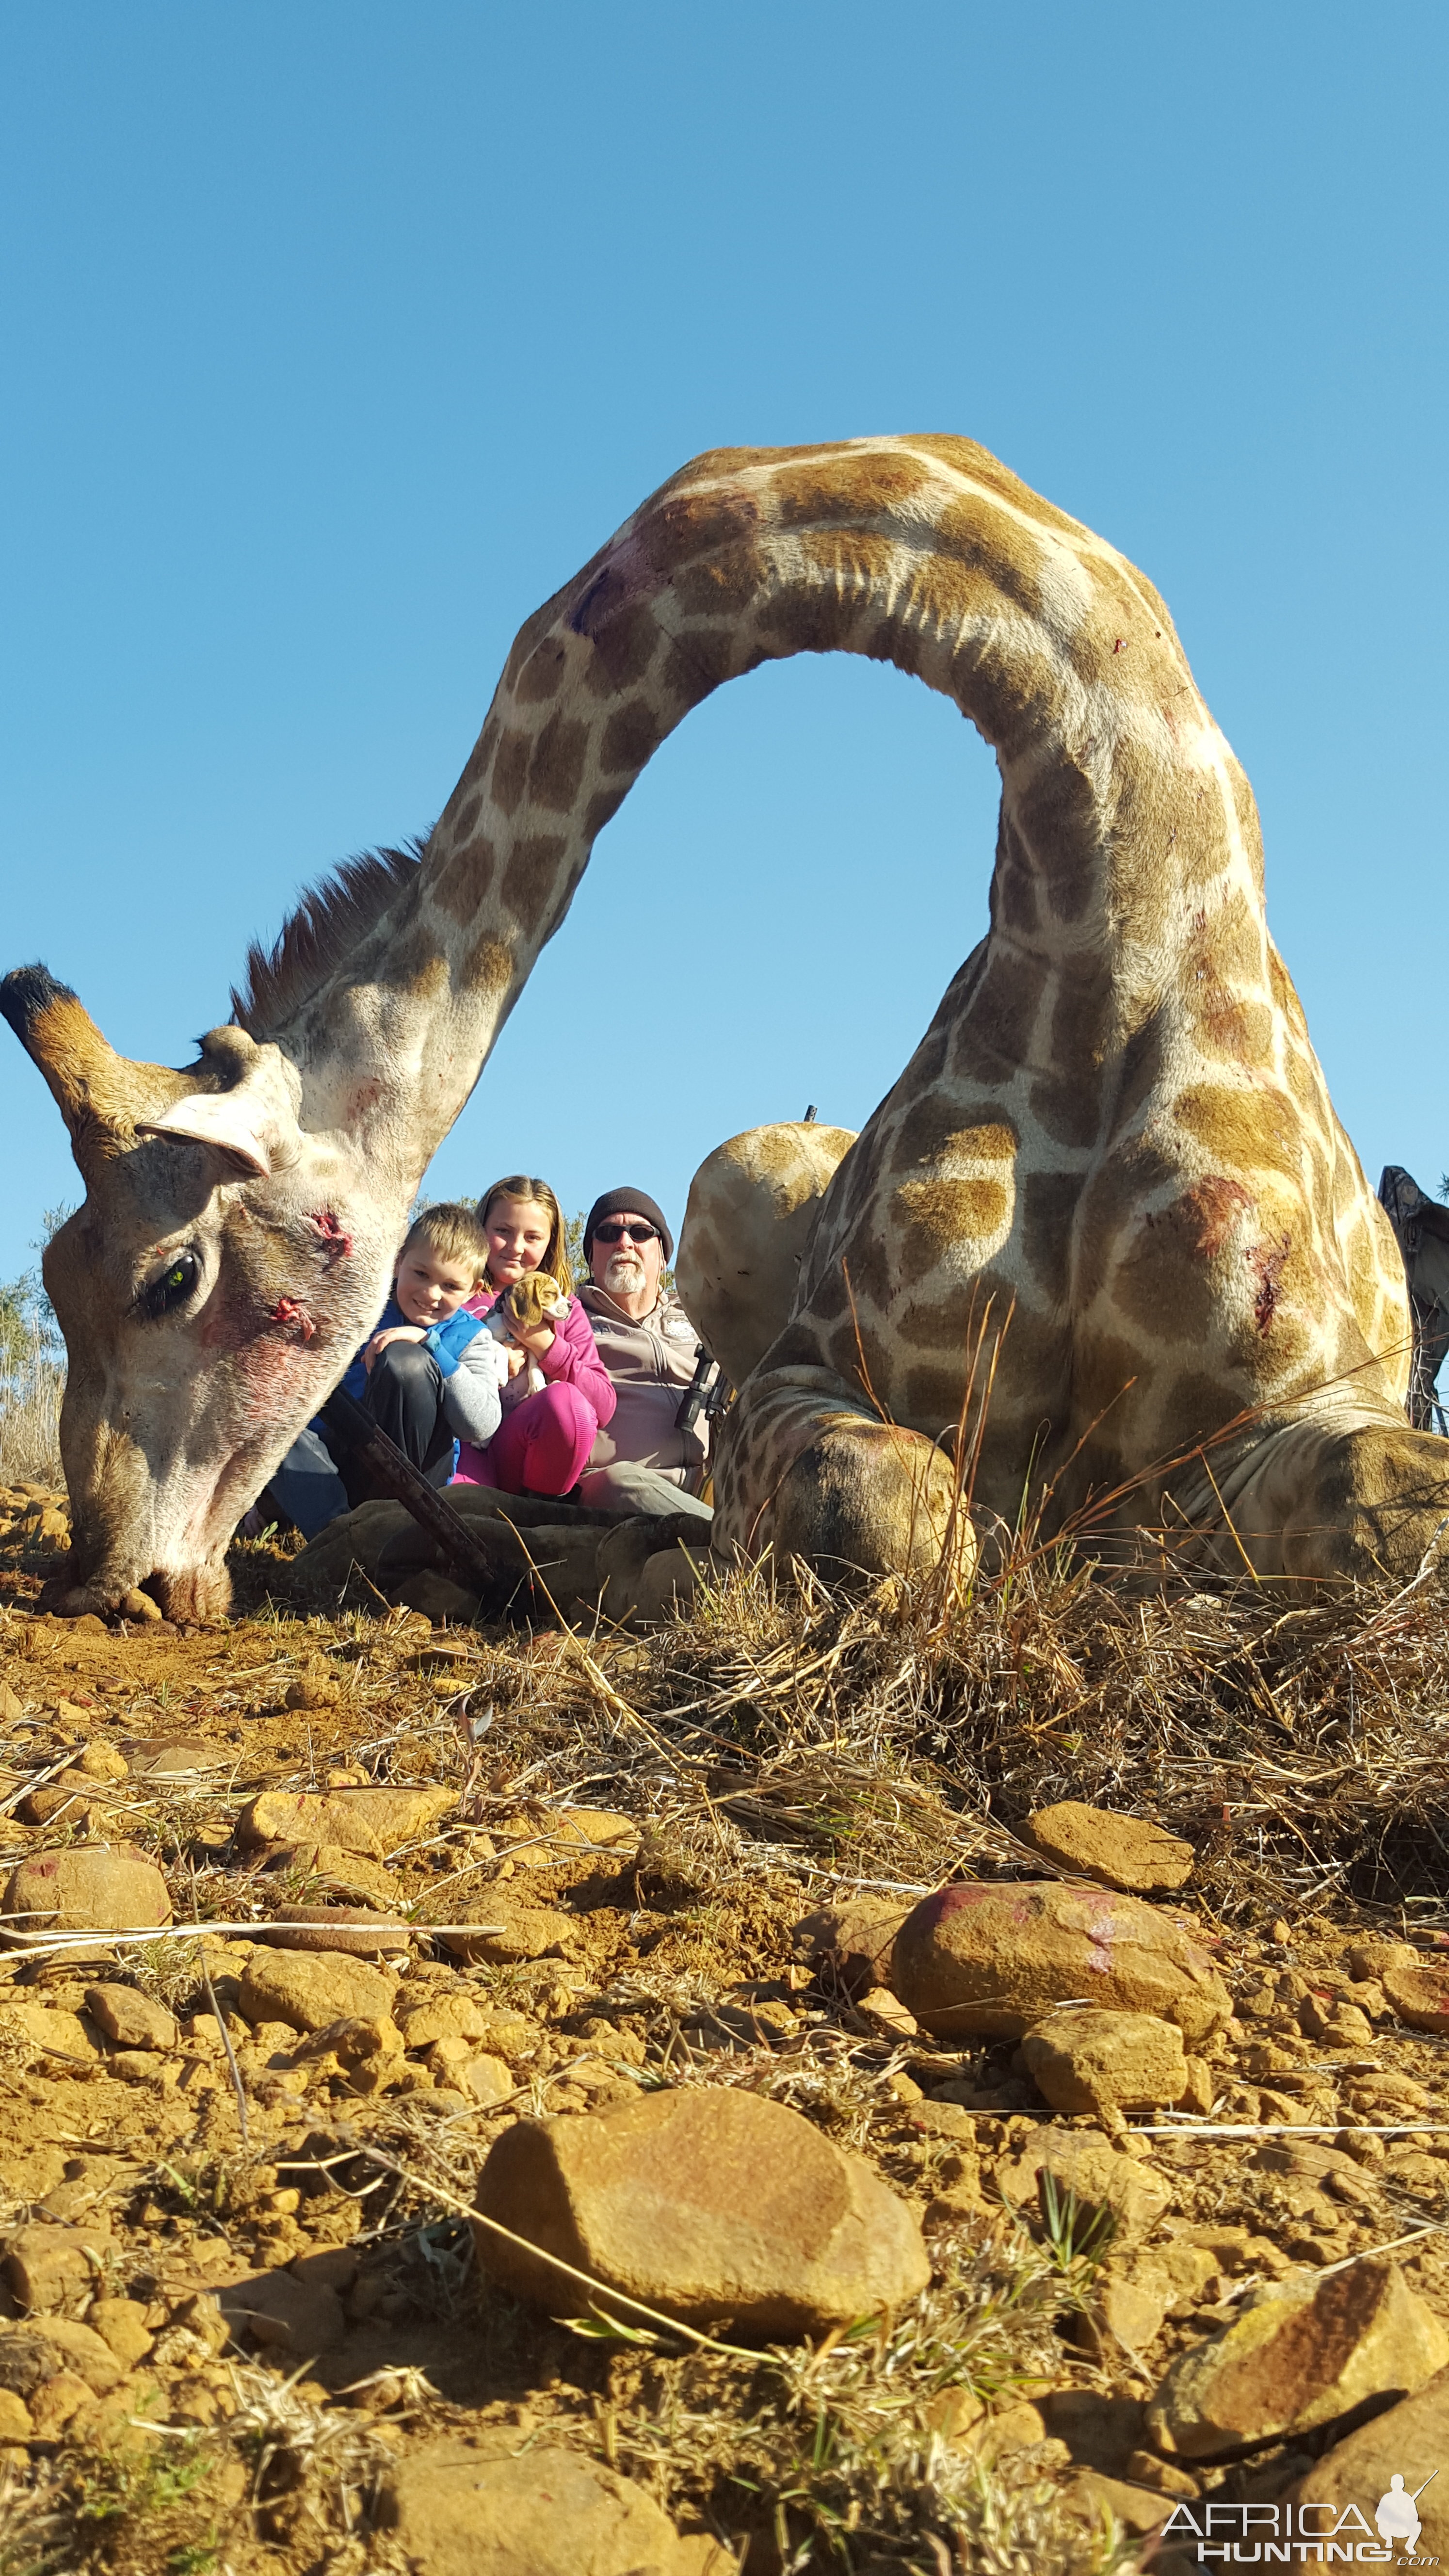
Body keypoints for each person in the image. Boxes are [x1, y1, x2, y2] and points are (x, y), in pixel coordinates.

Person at [267, 1202, 506, 1536]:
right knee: (273, 1416)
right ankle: (335, 1539)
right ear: (398, 1263)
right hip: (339, 1464)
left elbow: (481, 1426)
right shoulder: (362, 1309)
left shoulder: (471, 1338)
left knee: (405, 1361)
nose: (431, 1294)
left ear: (474, 1290)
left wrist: (431, 1345)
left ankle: (393, 1531)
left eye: (451, 1286)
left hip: (413, 1480)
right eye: (421, 1274)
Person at [451, 1174, 616, 1497]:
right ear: (480, 1229)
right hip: (464, 1443)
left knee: (567, 1405)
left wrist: (545, 1343)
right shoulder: (452, 1291)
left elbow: (603, 1406)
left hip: (527, 1453)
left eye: (532, 1237)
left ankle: (539, 1515)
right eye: (502, 1231)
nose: (516, 1247)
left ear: (550, 1243)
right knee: (465, 1506)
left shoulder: (566, 1309)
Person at [575, 1190, 714, 1521]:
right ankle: (741, 1552)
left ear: (663, 1258)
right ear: (591, 1258)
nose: (624, 1243)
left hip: (713, 1481)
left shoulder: (703, 1316)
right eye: (608, 1233)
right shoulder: (567, 1322)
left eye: (640, 1233)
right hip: (620, 1489)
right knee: (622, 1480)